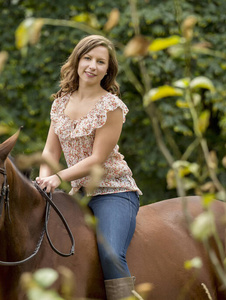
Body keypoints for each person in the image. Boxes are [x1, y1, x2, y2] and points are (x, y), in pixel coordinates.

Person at [36, 35, 142, 300]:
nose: (92, 66)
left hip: (113, 191)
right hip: (79, 193)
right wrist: (43, 180)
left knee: (110, 253)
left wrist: (58, 177)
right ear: (77, 61)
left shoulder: (111, 107)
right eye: (87, 58)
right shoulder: (60, 103)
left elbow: (96, 159)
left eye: (100, 61)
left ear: (108, 69)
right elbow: (50, 150)